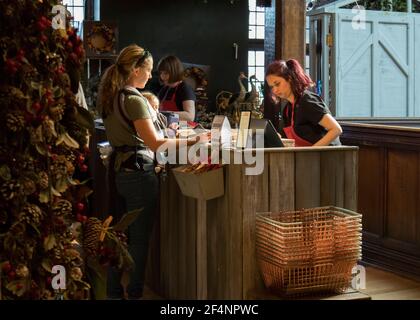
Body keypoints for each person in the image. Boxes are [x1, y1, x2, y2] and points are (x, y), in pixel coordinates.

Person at [97, 44, 207, 299]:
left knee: (116, 234)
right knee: (139, 239)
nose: (150, 77)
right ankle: (135, 292)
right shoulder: (134, 100)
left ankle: (113, 291)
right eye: (147, 71)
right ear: (135, 70)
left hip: (117, 170)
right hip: (138, 171)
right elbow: (156, 143)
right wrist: (193, 141)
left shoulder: (111, 96)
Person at [265, 59, 342, 147]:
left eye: (277, 84)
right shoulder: (287, 109)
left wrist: (311, 152)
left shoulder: (307, 101)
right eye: (272, 87)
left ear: (289, 79)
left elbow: (336, 129)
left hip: (327, 155)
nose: (274, 90)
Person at [157, 55, 196, 122]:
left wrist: (167, 115)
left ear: (174, 72)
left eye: (165, 73)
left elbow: (190, 116)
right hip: (170, 128)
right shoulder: (164, 90)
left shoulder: (185, 89)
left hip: (183, 128)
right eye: (161, 73)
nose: (162, 76)